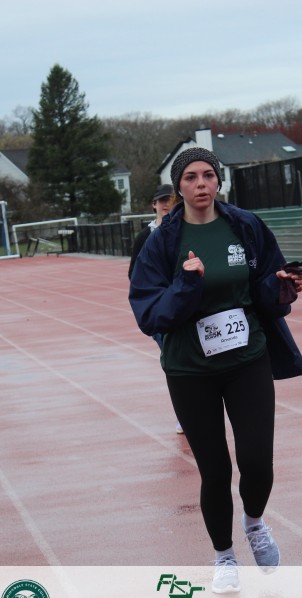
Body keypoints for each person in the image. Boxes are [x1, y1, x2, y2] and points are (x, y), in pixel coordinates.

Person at [129, 147, 302, 594]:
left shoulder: (244, 225)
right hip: (190, 369)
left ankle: (255, 524)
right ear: (179, 186)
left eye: (208, 175)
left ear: (218, 180)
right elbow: (149, 314)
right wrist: (187, 283)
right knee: (214, 469)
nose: (201, 184)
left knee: (257, 460)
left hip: (247, 359)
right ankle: (224, 556)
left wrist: (281, 287)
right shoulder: (161, 242)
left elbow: (265, 284)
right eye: (191, 177)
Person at [129, 183, 184, 434]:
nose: (166, 205)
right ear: (154, 205)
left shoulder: (185, 230)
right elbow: (134, 274)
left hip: (186, 305)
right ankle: (184, 415)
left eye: (170, 200)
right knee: (173, 362)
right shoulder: (145, 237)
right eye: (162, 201)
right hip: (162, 312)